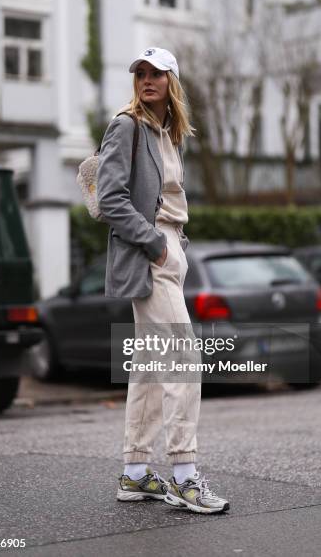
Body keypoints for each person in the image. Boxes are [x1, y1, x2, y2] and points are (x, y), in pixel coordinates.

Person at [97, 47, 230, 514]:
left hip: (169, 252)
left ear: (172, 82)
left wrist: (176, 245)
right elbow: (112, 200)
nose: (147, 80)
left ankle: (135, 474)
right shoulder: (126, 126)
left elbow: (169, 199)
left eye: (156, 74)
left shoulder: (166, 135)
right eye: (141, 73)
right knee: (183, 361)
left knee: (151, 368)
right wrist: (154, 243)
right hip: (150, 255)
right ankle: (184, 475)